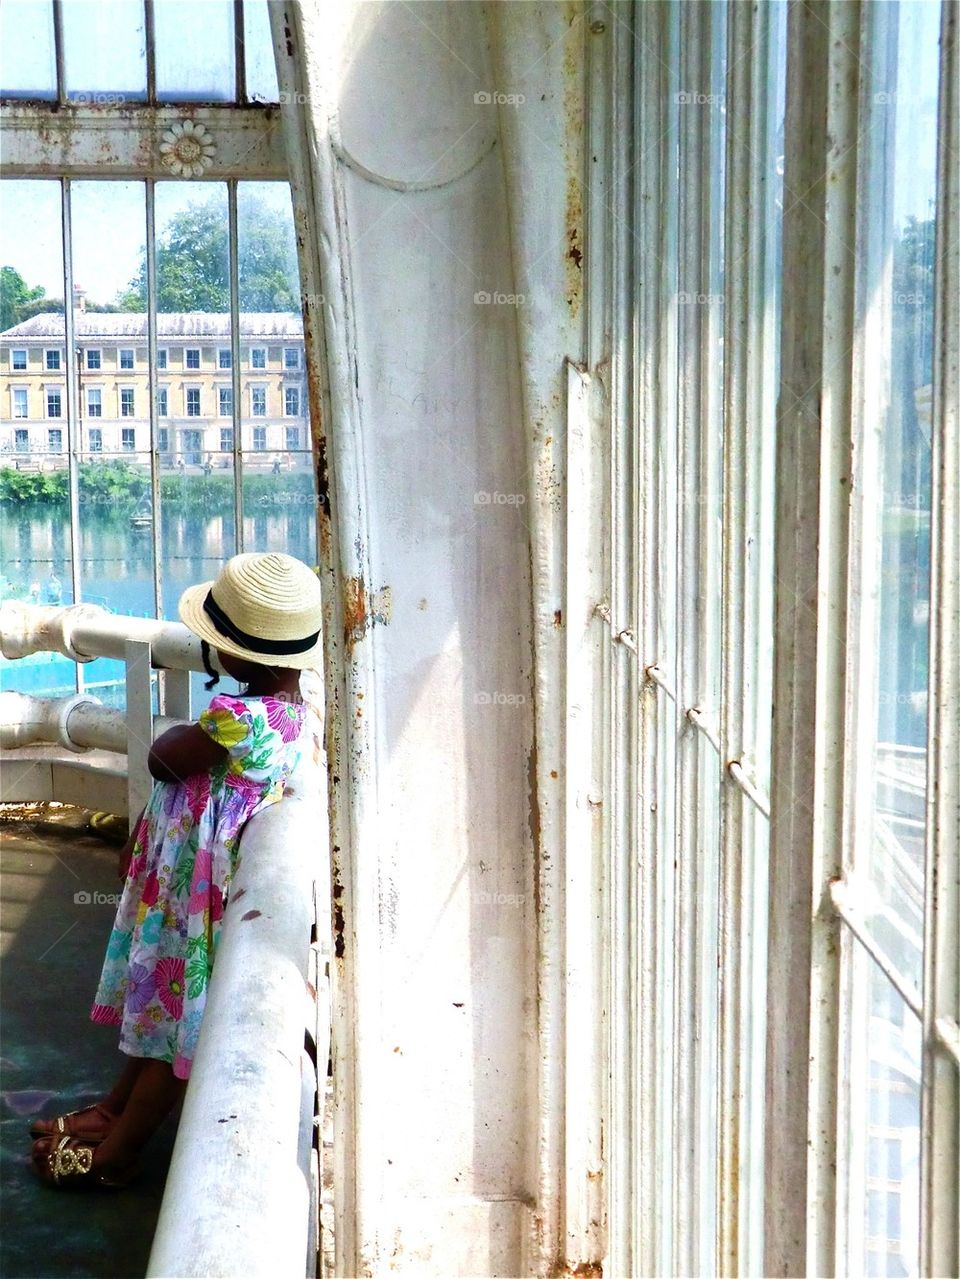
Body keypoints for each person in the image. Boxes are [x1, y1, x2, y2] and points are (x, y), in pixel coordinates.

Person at [29, 552, 323, 1188]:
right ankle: (112, 1109)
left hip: (192, 894)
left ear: (243, 655)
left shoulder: (235, 718)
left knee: (173, 1024)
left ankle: (115, 1156)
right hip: (200, 882)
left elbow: (165, 759)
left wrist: (185, 733)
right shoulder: (291, 716)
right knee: (160, 1008)